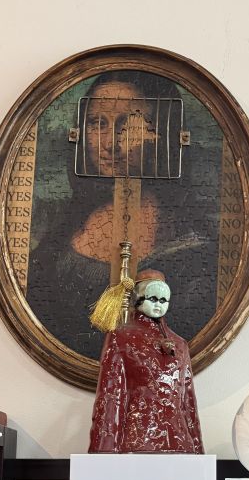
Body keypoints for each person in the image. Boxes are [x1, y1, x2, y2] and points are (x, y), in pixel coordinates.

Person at [25, 70, 220, 359]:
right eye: (97, 123)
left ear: (162, 135)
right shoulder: (69, 223)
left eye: (129, 125)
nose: (109, 143)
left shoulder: (188, 240)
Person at [88, 268, 204, 453]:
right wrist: (104, 450)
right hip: (137, 440)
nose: (158, 305)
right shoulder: (121, 338)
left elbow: (187, 400)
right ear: (138, 298)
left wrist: (197, 450)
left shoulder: (180, 344)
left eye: (163, 300)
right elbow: (111, 395)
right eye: (152, 298)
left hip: (180, 443)